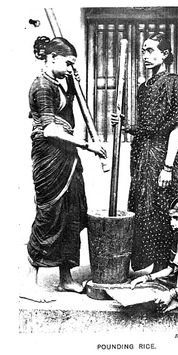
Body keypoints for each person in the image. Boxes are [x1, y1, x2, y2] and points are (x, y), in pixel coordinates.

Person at [25, 36, 106, 299]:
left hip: (68, 158)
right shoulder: (41, 87)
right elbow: (50, 129)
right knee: (49, 217)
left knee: (72, 214)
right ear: (51, 59)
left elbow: (69, 108)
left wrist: (73, 84)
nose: (72, 68)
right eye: (68, 63)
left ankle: (66, 278)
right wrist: (87, 145)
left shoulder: (62, 82)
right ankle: (29, 283)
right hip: (50, 157)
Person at [112, 32, 178, 272]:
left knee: (162, 211)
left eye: (151, 50)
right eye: (144, 50)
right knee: (143, 209)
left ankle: (164, 269)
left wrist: (167, 167)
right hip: (142, 157)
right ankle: (148, 267)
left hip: (161, 156)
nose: (145, 55)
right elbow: (146, 126)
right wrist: (125, 123)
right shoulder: (143, 87)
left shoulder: (173, 82)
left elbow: (176, 128)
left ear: (165, 54)